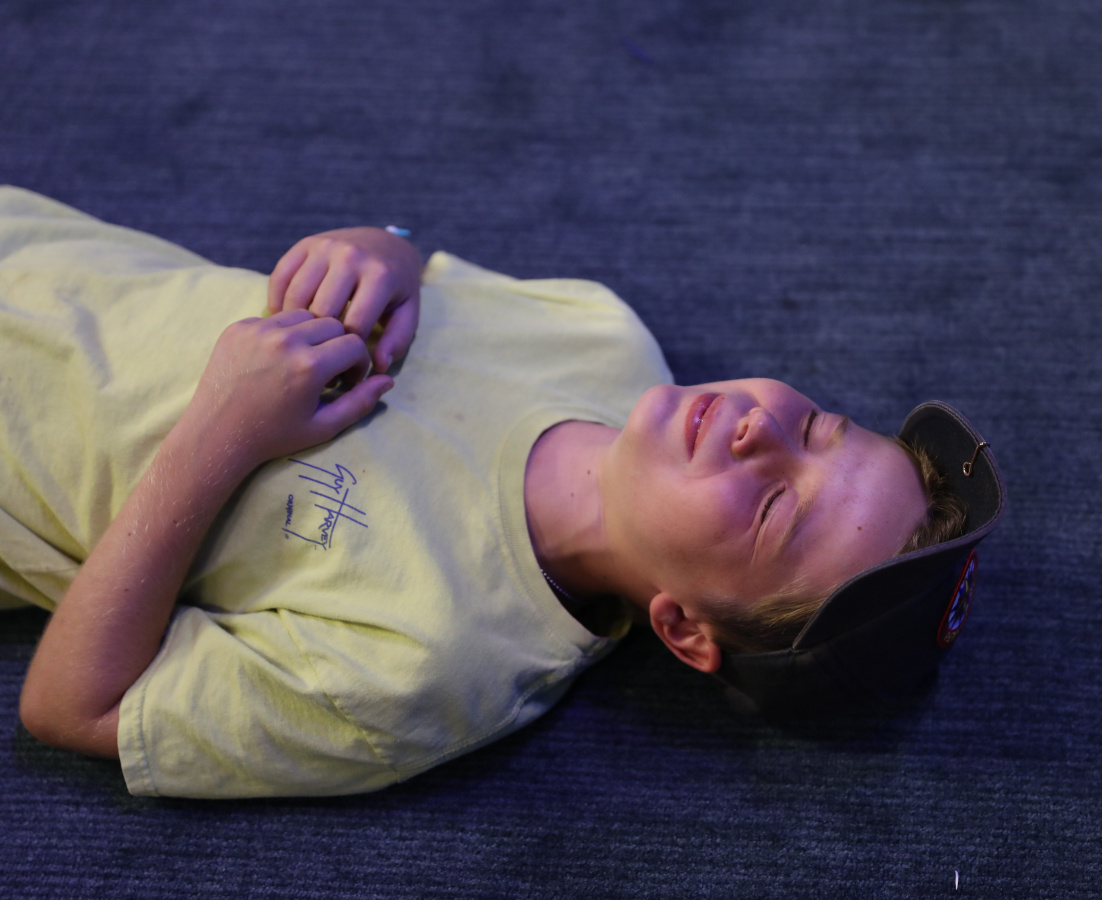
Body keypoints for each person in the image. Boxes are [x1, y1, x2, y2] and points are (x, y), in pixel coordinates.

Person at [1, 187, 1004, 798]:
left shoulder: (423, 670)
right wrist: (382, 243)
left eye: (779, 508)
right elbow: (412, 267)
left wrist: (219, 433)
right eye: (820, 425)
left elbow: (72, 707)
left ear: (683, 629)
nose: (762, 429)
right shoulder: (598, 334)